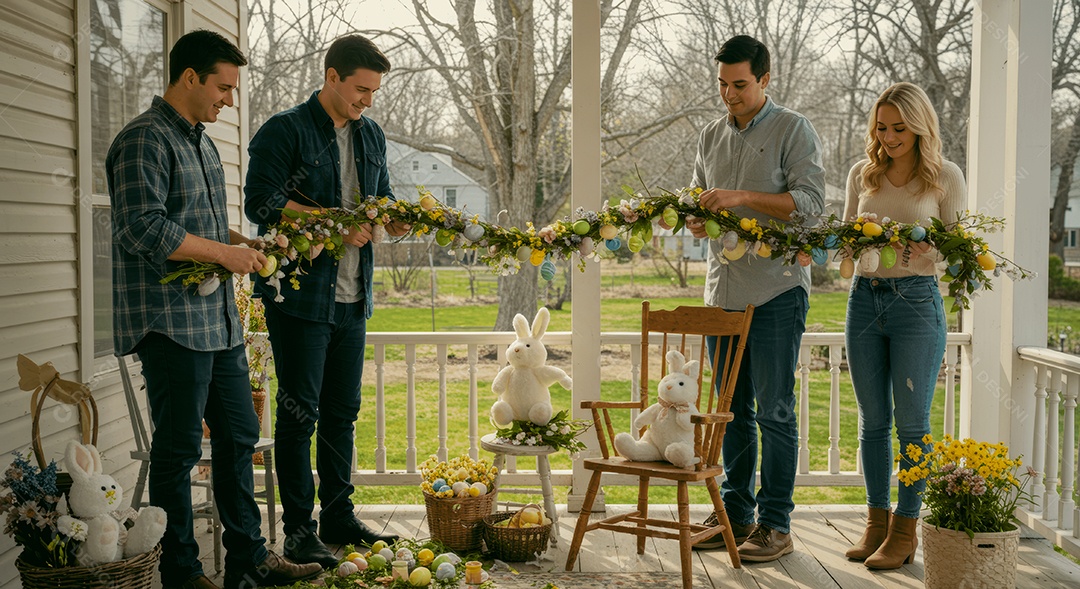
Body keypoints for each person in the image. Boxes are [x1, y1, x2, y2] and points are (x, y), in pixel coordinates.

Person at [108, 30, 323, 589]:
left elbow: (197, 228)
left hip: (218, 322)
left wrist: (240, 244)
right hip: (170, 323)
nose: (229, 99)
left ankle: (249, 559)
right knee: (178, 450)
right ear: (190, 78)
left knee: (240, 436)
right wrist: (225, 254)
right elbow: (142, 228)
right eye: (223, 87)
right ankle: (181, 572)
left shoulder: (201, 142)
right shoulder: (144, 140)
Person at [244, 34, 409, 569]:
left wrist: (394, 219)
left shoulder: (371, 135)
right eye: (361, 89)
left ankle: (339, 515)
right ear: (332, 77)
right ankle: (299, 532)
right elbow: (260, 203)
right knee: (300, 417)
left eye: (374, 91)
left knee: (342, 414)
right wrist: (334, 224)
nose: (368, 100)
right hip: (299, 299)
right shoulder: (285, 129)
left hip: (353, 298)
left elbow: (380, 199)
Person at [686, 35, 825, 562]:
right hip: (722, 293)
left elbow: (811, 204)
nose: (729, 94)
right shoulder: (709, 135)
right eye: (722, 84)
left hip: (776, 292)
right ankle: (734, 515)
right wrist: (697, 216)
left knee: (775, 412)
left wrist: (743, 195)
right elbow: (699, 196)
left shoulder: (793, 129)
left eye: (740, 84)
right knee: (730, 413)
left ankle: (775, 525)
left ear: (765, 79)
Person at [842, 82, 963, 569]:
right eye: (881, 128)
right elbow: (845, 241)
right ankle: (876, 523)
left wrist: (929, 251)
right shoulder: (862, 174)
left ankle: (905, 530)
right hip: (864, 299)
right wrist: (851, 242)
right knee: (873, 421)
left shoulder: (944, 176)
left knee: (912, 425)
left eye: (899, 129)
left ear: (919, 129)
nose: (888, 138)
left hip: (916, 304)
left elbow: (960, 253)